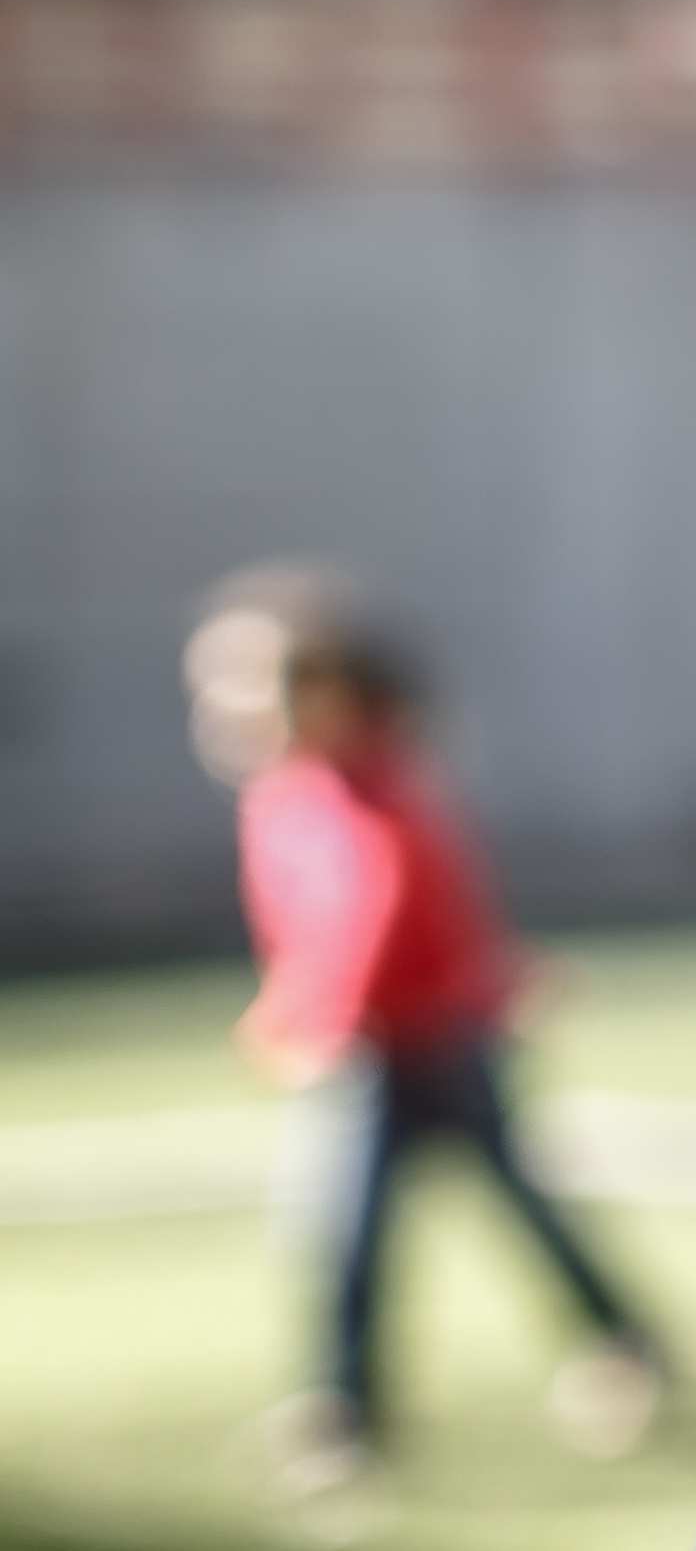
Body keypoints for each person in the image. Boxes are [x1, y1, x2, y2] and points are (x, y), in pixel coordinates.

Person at [191, 566, 661, 1493]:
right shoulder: (285, 793)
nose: (227, 713)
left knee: (378, 1224)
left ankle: (352, 1414)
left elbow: (384, 905)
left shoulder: (375, 791)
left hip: (421, 1045)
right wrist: (295, 1000)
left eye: (252, 691)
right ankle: (356, 1403)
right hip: (381, 1044)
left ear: (327, 693)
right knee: (380, 1222)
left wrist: (325, 1013)